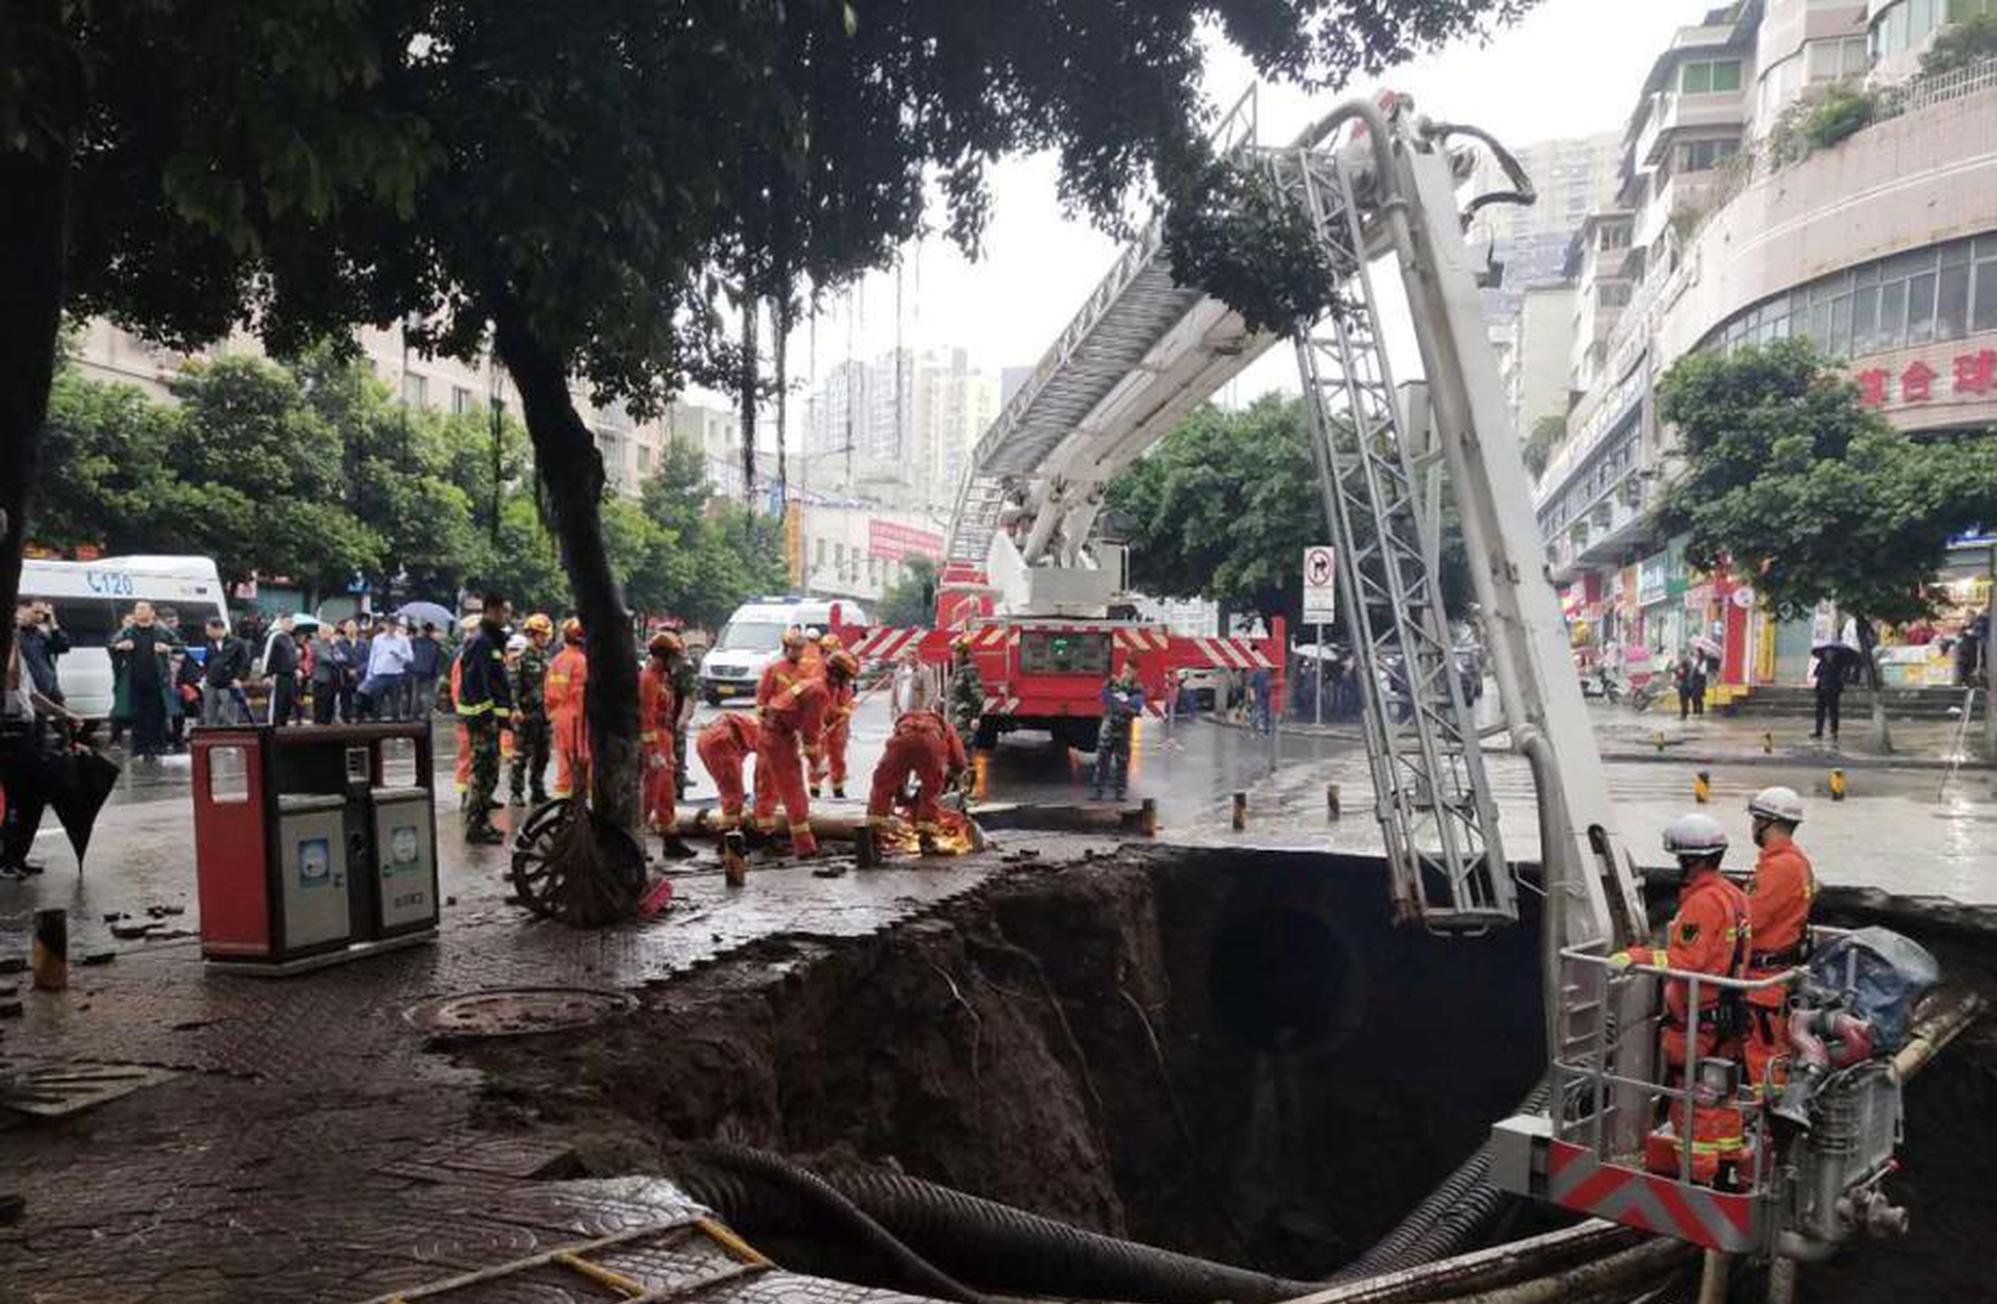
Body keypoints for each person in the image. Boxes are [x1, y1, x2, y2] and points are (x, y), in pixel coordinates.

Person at [1609, 814, 1752, 1187]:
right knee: (1723, 1095)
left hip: (1697, 1020)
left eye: (1680, 859)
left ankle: (1698, 1181)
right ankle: (1727, 1167)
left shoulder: (1703, 903)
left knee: (1693, 1101)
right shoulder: (1736, 896)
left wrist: (1637, 957)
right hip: (1729, 1013)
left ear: (1693, 860)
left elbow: (1687, 962)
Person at [1743, 786, 1816, 1097]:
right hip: (1780, 973)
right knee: (1773, 1054)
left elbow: (1749, 920)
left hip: (1764, 980)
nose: (1752, 827)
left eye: (1755, 820)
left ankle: (1768, 1114)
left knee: (1763, 1057)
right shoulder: (1797, 862)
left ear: (1766, 822)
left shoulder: (1779, 868)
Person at [753, 628, 828, 856]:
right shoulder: (774, 670)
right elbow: (762, 701)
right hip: (772, 733)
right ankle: (765, 835)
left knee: (786, 785)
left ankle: (777, 834)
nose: (798, 652)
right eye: (794, 649)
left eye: (800, 649)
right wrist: (770, 720)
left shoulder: (805, 672)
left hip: (788, 734)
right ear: (786, 648)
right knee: (766, 784)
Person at [866, 707, 968, 856]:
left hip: (901, 742)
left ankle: (873, 837)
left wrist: (900, 794)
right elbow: (959, 760)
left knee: (882, 786)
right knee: (931, 791)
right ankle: (926, 840)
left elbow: (895, 770)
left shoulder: (904, 725)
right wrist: (954, 774)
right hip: (930, 744)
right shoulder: (944, 726)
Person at [455, 594, 514, 843]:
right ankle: (476, 827)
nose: (507, 616)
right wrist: (487, 714)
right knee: (482, 772)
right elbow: (476, 683)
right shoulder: (481, 642)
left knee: (490, 772)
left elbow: (496, 682)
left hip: (489, 719)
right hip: (482, 720)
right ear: (493, 610)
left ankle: (481, 822)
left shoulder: (491, 640)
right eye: (505, 611)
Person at [640, 632, 696, 859]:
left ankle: (671, 841)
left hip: (664, 738)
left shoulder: (662, 678)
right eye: (673, 656)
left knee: (666, 794)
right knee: (649, 795)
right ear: (662, 655)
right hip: (653, 741)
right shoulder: (648, 680)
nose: (676, 661)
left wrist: (668, 749)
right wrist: (653, 751)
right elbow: (646, 718)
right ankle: (636, 841)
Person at [111, 602, 180, 758]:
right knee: (137, 716)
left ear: (152, 613)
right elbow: (111, 645)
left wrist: (168, 648)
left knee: (158, 715)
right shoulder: (127, 631)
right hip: (134, 681)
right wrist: (120, 646)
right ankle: (139, 749)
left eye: (143, 609)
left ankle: (158, 748)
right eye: (137, 609)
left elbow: (180, 647)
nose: (139, 611)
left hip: (158, 680)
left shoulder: (162, 631)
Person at [508, 613, 554, 806]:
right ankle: (516, 792)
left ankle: (538, 790)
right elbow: (513, 686)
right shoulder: (520, 658)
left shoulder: (546, 657)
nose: (545, 639)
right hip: (526, 713)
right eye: (541, 635)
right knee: (521, 755)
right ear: (532, 635)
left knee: (543, 754)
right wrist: (515, 708)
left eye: (546, 635)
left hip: (544, 713)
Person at [696, 711, 760, 836]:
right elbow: (764, 777)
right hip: (722, 742)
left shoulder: (762, 726)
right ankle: (729, 835)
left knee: (728, 790)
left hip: (708, 738)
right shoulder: (773, 740)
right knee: (733, 794)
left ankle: (729, 830)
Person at [547, 618, 591, 800]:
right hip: (576, 717)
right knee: (580, 760)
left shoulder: (558, 660)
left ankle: (565, 804)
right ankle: (576, 804)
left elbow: (550, 693)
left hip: (562, 716)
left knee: (566, 762)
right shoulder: (580, 661)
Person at [1092, 664, 1145, 801]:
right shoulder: (1112, 683)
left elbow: (1137, 704)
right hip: (1108, 727)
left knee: (1122, 761)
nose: (1125, 673)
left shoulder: (1136, 686)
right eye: (1124, 670)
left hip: (1123, 728)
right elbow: (1104, 697)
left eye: (1128, 671)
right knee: (1102, 760)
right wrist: (1122, 704)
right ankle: (1098, 791)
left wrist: (1122, 704)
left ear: (1134, 672)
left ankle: (1120, 791)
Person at [811, 649, 859, 799]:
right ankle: (814, 789)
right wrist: (840, 711)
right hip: (820, 723)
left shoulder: (843, 684)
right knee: (817, 757)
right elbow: (823, 707)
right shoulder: (819, 684)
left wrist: (847, 708)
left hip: (838, 725)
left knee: (838, 757)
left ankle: (838, 789)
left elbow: (846, 698)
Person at [14, 599, 70, 709]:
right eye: (36, 612)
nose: (40, 616)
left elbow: (63, 647)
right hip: (23, 696)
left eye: (43, 613)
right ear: (21, 610)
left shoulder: (39, 635)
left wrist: (52, 622)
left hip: (45, 694)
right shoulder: (15, 635)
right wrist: (18, 625)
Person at [197, 616, 251, 727]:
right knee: (209, 716)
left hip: (229, 683)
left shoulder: (238, 643)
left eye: (210, 630)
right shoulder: (210, 644)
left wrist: (239, 678)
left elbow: (245, 663)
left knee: (229, 716)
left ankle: (230, 736)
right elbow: (206, 662)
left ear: (219, 628)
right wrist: (204, 676)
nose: (207, 633)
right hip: (211, 683)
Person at [363, 618, 412, 722]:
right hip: (379, 674)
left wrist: (399, 656)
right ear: (385, 625)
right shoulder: (377, 639)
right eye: (389, 625)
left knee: (395, 704)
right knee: (377, 703)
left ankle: (396, 726)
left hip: (395, 675)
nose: (391, 628)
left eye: (393, 625)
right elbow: (373, 656)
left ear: (396, 626)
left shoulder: (403, 639)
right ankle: (376, 726)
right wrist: (369, 674)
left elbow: (410, 658)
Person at [309, 622, 351, 725]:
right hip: (320, 679)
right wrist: (335, 657)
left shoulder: (333, 645)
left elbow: (343, 658)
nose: (327, 634)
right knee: (320, 708)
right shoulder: (315, 644)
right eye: (324, 632)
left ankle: (327, 727)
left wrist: (333, 649)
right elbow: (326, 658)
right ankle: (318, 727)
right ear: (320, 632)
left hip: (332, 680)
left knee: (330, 707)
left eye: (329, 632)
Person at [264, 614, 301, 725]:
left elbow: (292, 658)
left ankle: (283, 729)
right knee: (277, 705)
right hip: (279, 676)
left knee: (287, 705)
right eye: (288, 622)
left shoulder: (290, 638)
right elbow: (267, 655)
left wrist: (296, 669)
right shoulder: (275, 636)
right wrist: (266, 675)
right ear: (281, 622)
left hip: (291, 677)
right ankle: (273, 728)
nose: (291, 625)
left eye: (292, 622)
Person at [947, 636, 984, 748]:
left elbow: (979, 696)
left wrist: (975, 717)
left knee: (965, 749)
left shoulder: (970, 671)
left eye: (958, 653)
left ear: (965, 655)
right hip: (955, 720)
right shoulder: (959, 671)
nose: (955, 656)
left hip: (965, 720)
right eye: (954, 653)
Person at [408, 621, 446, 719]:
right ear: (432, 631)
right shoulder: (436, 644)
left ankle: (414, 715)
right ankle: (427, 715)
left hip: (416, 671)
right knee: (429, 695)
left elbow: (410, 656)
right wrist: (438, 673)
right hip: (430, 673)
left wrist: (410, 669)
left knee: (415, 694)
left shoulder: (415, 642)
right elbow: (439, 660)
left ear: (423, 630)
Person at [1809, 645, 1845, 742]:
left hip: (1833, 690)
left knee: (1833, 711)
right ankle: (1818, 731)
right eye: (1827, 653)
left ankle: (1834, 731)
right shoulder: (1822, 663)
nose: (1829, 654)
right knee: (1820, 712)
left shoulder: (1838, 664)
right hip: (1821, 690)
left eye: (1831, 653)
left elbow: (1841, 676)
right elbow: (1816, 673)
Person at [337, 618, 365, 722]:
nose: (351, 629)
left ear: (357, 629)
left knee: (360, 700)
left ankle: (360, 720)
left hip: (360, 677)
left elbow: (368, 660)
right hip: (345, 677)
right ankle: (346, 720)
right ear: (344, 629)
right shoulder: (339, 643)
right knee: (345, 701)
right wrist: (348, 670)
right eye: (348, 627)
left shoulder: (363, 643)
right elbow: (338, 659)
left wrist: (358, 670)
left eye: (353, 626)